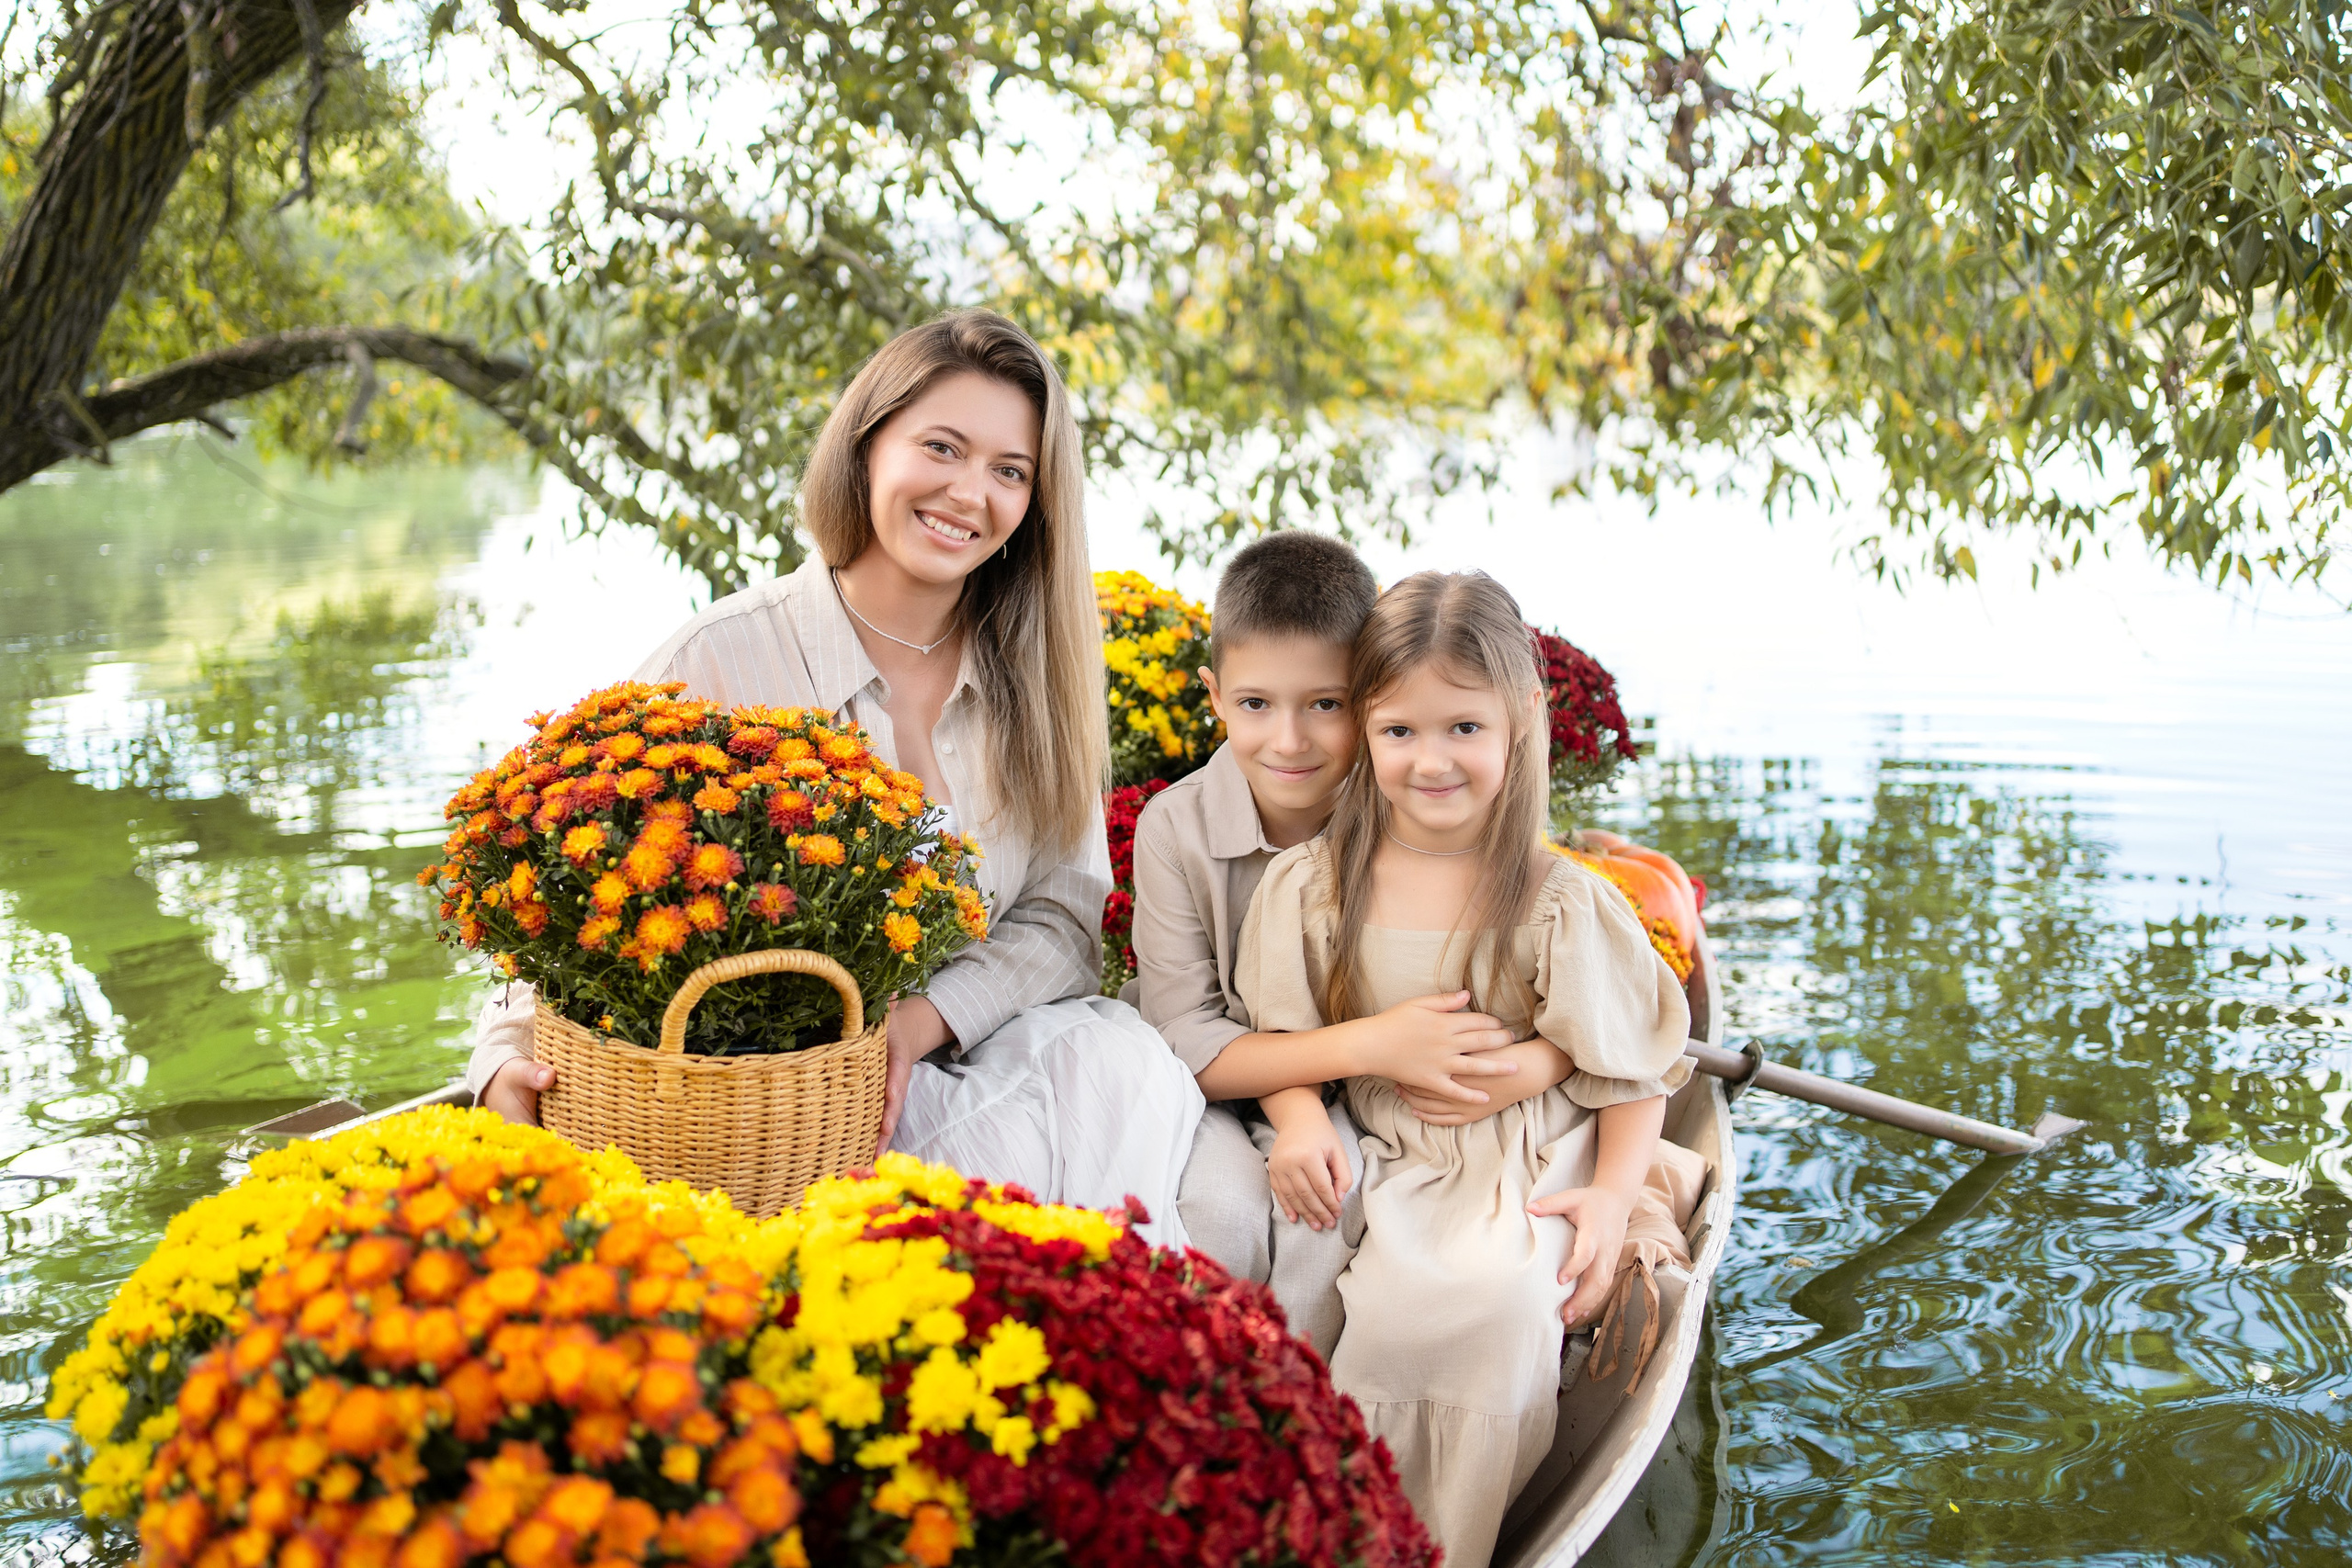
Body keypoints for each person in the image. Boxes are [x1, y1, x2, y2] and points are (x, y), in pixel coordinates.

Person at [466, 310, 1204, 1246]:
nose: (968, 493)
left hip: (974, 1053)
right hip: (780, 1117)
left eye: (1009, 471)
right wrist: (500, 1063)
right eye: (941, 446)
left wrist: (921, 1021)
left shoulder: (1041, 676)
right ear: (864, 447)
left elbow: (1063, 917)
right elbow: (559, 907)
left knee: (1120, 1069)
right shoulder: (720, 665)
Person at [1235, 570, 1697, 1568]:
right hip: (1389, 1146)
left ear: (1521, 720)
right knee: (1384, 1311)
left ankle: (1450, 1543)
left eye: (1463, 729)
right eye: (1399, 731)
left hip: (1527, 1153)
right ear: (1363, 726)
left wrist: (1614, 1199)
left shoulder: (1555, 896)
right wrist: (1301, 1115)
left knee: (1488, 1303)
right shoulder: (1316, 885)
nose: (1429, 761)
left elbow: (1629, 1073)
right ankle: (1346, 1535)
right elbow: (1278, 1037)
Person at [1130, 532, 1524, 1357]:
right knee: (1221, 1210)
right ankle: (1207, 1412)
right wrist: (1349, 1061)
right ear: (1214, 695)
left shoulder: (1413, 805)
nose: (1290, 742)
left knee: (1328, 1210)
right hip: (1204, 1091)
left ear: (1372, 696)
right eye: (1255, 705)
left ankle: (1312, 1414)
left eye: (1327, 704)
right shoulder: (1177, 827)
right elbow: (1184, 1034)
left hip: (1374, 1095)